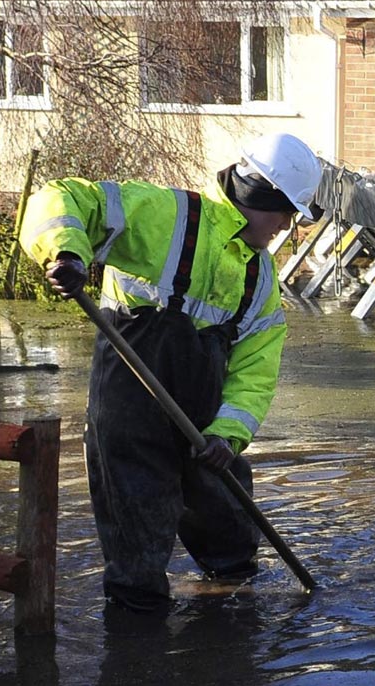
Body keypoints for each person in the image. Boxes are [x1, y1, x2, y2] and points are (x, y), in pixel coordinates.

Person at [19, 132, 321, 618]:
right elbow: (62, 198)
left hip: (204, 428)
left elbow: (255, 369)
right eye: (285, 212)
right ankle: (138, 656)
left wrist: (227, 435)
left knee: (230, 528)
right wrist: (67, 253)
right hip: (129, 405)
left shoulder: (260, 278)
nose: (287, 226)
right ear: (259, 197)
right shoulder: (166, 216)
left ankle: (230, 629)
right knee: (137, 541)